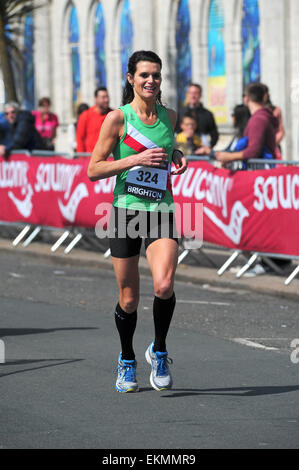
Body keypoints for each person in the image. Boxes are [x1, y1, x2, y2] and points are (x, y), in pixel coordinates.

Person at [87, 50, 188, 393]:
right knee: (129, 299)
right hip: (125, 213)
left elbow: (166, 146)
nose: (151, 81)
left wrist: (175, 154)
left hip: (161, 210)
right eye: (144, 75)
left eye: (156, 75)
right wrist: (134, 161)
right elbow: (93, 169)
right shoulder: (118, 118)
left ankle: (158, 350)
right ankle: (127, 358)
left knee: (164, 285)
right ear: (130, 78)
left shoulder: (170, 116)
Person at [215, 83, 278, 166]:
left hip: (259, 172)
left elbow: (253, 150)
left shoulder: (258, 119)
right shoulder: (260, 117)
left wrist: (229, 157)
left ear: (246, 98)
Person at [176, 83, 219, 148]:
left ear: (200, 95)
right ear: (187, 95)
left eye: (196, 93)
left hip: (201, 153)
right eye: (190, 93)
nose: (193, 96)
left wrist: (208, 147)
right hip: (182, 150)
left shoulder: (208, 114)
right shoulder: (179, 113)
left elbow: (214, 135)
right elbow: (174, 132)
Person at [76, 87, 112, 153]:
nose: (106, 100)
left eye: (107, 97)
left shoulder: (113, 115)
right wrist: (81, 158)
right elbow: (80, 139)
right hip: (90, 158)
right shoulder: (85, 115)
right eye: (103, 97)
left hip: (110, 158)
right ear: (96, 99)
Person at [262, 83, 284, 159]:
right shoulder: (252, 111)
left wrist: (272, 143)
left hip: (273, 148)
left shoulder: (276, 110)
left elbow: (281, 131)